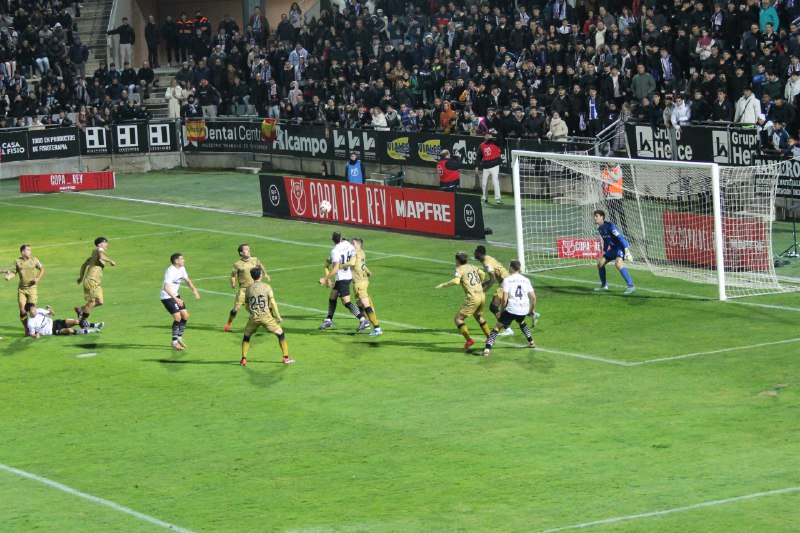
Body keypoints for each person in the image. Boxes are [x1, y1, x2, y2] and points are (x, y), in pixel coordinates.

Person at [435, 251, 492, 350]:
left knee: (458, 319)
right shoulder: (472, 266)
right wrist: (479, 283)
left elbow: (456, 281)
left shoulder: (459, 269)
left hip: (473, 297)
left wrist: (443, 285)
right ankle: (490, 337)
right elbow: (482, 273)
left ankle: (469, 340)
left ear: (457, 260)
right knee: (478, 317)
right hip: (481, 294)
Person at [482, 259, 537, 356]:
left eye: (509, 266)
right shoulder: (526, 280)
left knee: (497, 327)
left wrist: (503, 311)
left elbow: (504, 299)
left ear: (511, 268)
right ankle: (531, 342)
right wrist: (532, 309)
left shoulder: (507, 280)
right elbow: (533, 297)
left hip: (512, 308)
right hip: (524, 309)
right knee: (521, 322)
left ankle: (487, 349)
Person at [241, 268, 294, 366]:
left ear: (252, 277)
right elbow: (273, 302)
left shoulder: (248, 289)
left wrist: (252, 313)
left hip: (254, 318)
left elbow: (247, 306)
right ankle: (286, 358)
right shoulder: (267, 287)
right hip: (266, 317)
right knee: (280, 334)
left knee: (246, 336)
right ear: (260, 275)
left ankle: (244, 359)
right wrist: (278, 316)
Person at [318, 231, 369, 331]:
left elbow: (336, 268)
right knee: (332, 297)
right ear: (341, 238)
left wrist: (325, 279)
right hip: (346, 276)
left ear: (332, 240)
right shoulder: (348, 245)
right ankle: (329, 319)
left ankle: (363, 319)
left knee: (346, 302)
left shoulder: (334, 251)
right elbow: (353, 255)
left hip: (342, 278)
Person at [474, 245, 518, 338]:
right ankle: (532, 314)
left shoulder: (487, 264)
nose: (474, 253)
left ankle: (508, 329)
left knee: (493, 307)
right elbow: (494, 276)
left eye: (475, 252)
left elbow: (493, 279)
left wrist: (484, 291)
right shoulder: (487, 258)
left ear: (479, 253)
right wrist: (484, 283)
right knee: (511, 306)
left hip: (505, 283)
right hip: (508, 280)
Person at [224, 243, 270, 332]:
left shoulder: (255, 260)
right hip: (243, 290)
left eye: (249, 249)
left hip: (254, 289)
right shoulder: (237, 264)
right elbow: (233, 275)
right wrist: (233, 283)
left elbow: (261, 266)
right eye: (246, 249)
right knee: (236, 308)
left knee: (258, 308)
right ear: (241, 253)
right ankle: (229, 324)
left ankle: (266, 323)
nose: (249, 250)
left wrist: (266, 274)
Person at [2, 244, 45, 336]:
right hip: (22, 289)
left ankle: (35, 329)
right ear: (23, 252)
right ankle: (27, 328)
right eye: (28, 250)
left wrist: (38, 278)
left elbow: (42, 269)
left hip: (32, 288)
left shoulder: (34, 260)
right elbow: (14, 273)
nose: (30, 251)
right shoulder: (17, 261)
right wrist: (9, 276)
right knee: (22, 309)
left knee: (33, 310)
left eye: (30, 250)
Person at [160, 252, 200, 351]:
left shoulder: (181, 268)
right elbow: (166, 287)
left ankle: (179, 337)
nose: (184, 260)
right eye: (182, 259)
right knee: (177, 317)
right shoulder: (170, 271)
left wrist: (194, 290)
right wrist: (176, 298)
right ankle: (174, 342)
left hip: (175, 295)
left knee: (185, 315)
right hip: (167, 296)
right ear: (176, 261)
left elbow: (187, 280)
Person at [74, 237, 116, 328]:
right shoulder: (99, 249)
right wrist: (110, 261)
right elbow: (102, 256)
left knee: (100, 302)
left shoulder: (93, 256)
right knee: (92, 302)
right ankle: (83, 322)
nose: (107, 245)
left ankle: (80, 309)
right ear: (100, 244)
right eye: (105, 243)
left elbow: (84, 265)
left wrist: (81, 277)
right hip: (91, 280)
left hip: (96, 282)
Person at [593, 209, 635, 294]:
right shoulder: (600, 228)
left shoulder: (610, 226)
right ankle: (604, 285)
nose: (594, 218)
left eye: (596, 216)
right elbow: (606, 241)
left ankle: (631, 286)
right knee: (600, 264)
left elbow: (621, 238)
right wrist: (604, 252)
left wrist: (627, 251)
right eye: (594, 216)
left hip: (620, 247)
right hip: (613, 249)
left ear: (602, 217)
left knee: (618, 264)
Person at [347, 237, 382, 336]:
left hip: (360, 282)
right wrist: (368, 271)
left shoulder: (355, 253)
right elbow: (362, 264)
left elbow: (353, 263)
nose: (351, 245)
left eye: (353, 243)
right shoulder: (362, 252)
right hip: (359, 281)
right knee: (359, 303)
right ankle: (366, 323)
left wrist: (341, 266)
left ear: (358, 245)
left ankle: (377, 328)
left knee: (365, 304)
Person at [25, 303, 103, 339]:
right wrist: (36, 335)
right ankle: (91, 331)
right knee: (69, 330)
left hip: (55, 322)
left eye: (35, 308)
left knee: (75, 321)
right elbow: (32, 334)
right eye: (32, 310)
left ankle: (95, 325)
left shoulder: (39, 310)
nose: (35, 310)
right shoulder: (30, 323)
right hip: (52, 330)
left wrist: (50, 310)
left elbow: (53, 314)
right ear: (28, 311)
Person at [475, 130, 502, 204]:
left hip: (495, 165)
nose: (486, 136)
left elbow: (500, 138)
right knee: (484, 183)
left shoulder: (496, 142)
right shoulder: (482, 145)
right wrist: (477, 166)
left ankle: (497, 198)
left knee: (495, 182)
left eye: (488, 135)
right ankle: (484, 198)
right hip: (486, 166)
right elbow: (478, 156)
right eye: (485, 135)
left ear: (491, 136)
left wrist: (497, 133)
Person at [602, 162, 629, 236]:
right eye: (610, 161)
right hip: (608, 196)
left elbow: (616, 178)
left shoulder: (618, 169)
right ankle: (615, 232)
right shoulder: (605, 170)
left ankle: (626, 233)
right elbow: (604, 182)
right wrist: (604, 192)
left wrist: (609, 172)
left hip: (617, 196)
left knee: (621, 215)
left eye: (613, 161)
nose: (611, 162)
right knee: (612, 215)